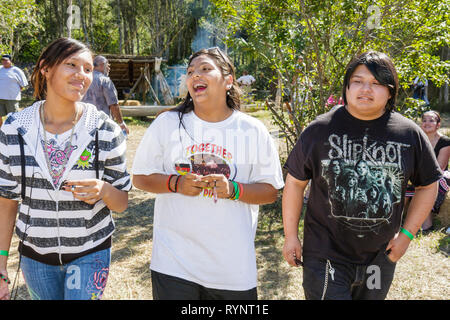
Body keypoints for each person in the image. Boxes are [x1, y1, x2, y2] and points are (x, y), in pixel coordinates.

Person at [282, 51, 441, 300]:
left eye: (376, 83)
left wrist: (407, 236)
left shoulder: (409, 134)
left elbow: (429, 185)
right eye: (357, 81)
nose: (366, 89)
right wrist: (290, 236)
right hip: (325, 256)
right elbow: (294, 184)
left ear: (390, 91)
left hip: (381, 257)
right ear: (346, 88)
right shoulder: (319, 130)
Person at [132, 47, 284, 300]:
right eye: (190, 72)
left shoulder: (252, 130)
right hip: (172, 263)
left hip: (231, 269)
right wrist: (175, 183)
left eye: (205, 69)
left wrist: (233, 189)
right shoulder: (167, 123)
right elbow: (140, 177)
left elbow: (270, 192)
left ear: (228, 80)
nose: (195, 76)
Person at [0, 38, 131, 300]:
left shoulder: (105, 130)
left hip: (91, 252)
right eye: (71, 65)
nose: (81, 75)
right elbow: (6, 202)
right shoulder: (14, 129)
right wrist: (1, 263)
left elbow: (122, 203)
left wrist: (104, 190)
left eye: (88, 68)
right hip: (35, 258)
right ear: (45, 68)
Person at [405, 110, 450, 233]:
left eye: (431, 120)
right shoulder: (416, 139)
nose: (427, 123)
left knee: (429, 184)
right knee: (402, 184)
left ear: (438, 124)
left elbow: (440, 167)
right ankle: (400, 223)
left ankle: (427, 227)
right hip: (417, 173)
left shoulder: (445, 142)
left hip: (439, 175)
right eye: (424, 120)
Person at [82, 55, 129, 135]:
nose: (109, 68)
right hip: (101, 124)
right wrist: (121, 123)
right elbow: (113, 105)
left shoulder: (83, 78)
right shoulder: (105, 81)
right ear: (102, 65)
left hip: (83, 123)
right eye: (108, 65)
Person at [0, 54, 28, 126]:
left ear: (10, 61)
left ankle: (14, 133)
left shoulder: (17, 71)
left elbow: (23, 85)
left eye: (6, 60)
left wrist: (12, 92)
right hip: (0, 98)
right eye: (3, 60)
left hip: (12, 98)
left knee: (13, 117)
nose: (4, 62)